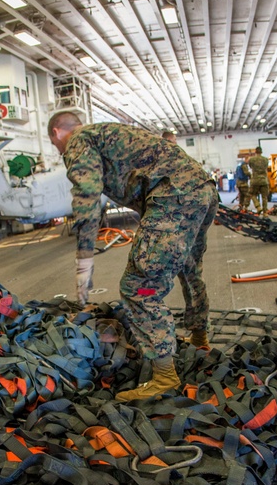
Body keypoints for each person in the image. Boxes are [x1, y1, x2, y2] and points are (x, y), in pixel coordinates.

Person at [47, 112, 219, 401]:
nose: (57, 149)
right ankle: (200, 337)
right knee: (189, 268)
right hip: (202, 189)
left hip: (171, 197)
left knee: (137, 287)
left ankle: (165, 375)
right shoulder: (107, 132)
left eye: (54, 144)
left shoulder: (78, 141)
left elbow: (87, 196)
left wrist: (84, 259)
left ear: (56, 133)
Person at [247, 147, 270, 215]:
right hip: (264, 180)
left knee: (252, 194)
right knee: (264, 197)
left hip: (255, 180)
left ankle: (258, 207)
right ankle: (265, 212)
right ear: (261, 152)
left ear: (255, 152)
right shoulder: (266, 160)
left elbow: (251, 167)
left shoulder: (252, 160)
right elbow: (266, 167)